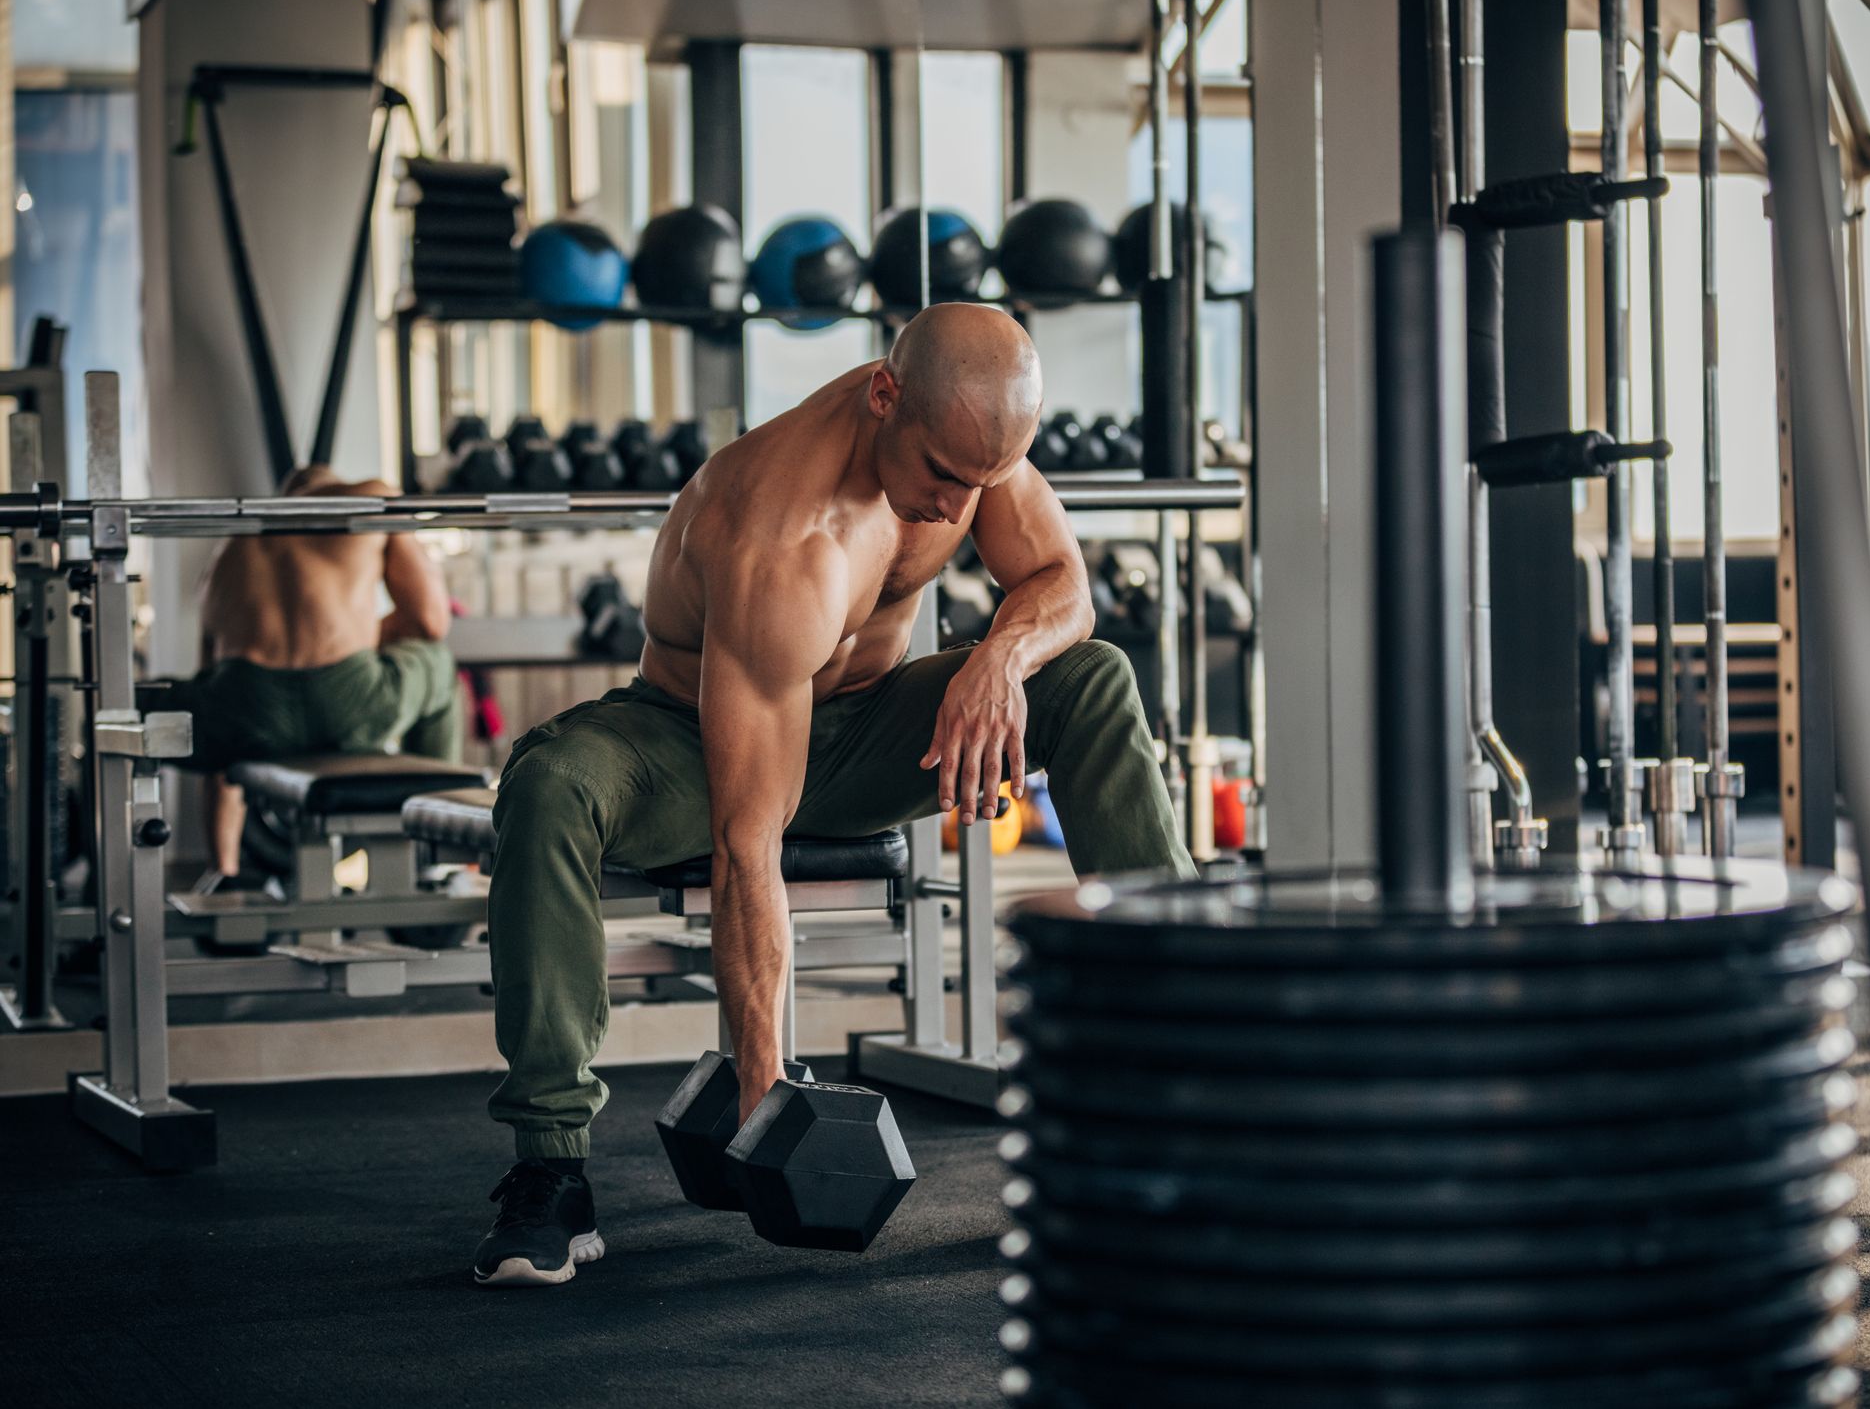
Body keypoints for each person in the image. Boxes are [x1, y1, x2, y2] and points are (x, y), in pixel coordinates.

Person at [472, 304, 1192, 1287]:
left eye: (981, 486)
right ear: (883, 397)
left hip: (860, 729)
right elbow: (747, 841)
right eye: (943, 475)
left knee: (1095, 675)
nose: (955, 510)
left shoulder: (971, 438)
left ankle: (1201, 1075)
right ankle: (549, 1168)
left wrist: (999, 659)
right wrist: (766, 1088)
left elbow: (1062, 578)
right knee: (550, 785)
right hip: (686, 740)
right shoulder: (783, 530)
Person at [147, 465, 459, 887]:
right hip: (350, 698)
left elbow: (217, 701)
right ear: (330, 482)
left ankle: (222, 871)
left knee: (126, 709)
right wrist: (366, 639)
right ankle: (435, 848)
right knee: (437, 663)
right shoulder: (369, 495)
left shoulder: (228, 552)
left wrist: (222, 865)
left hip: (247, 710)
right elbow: (431, 621)